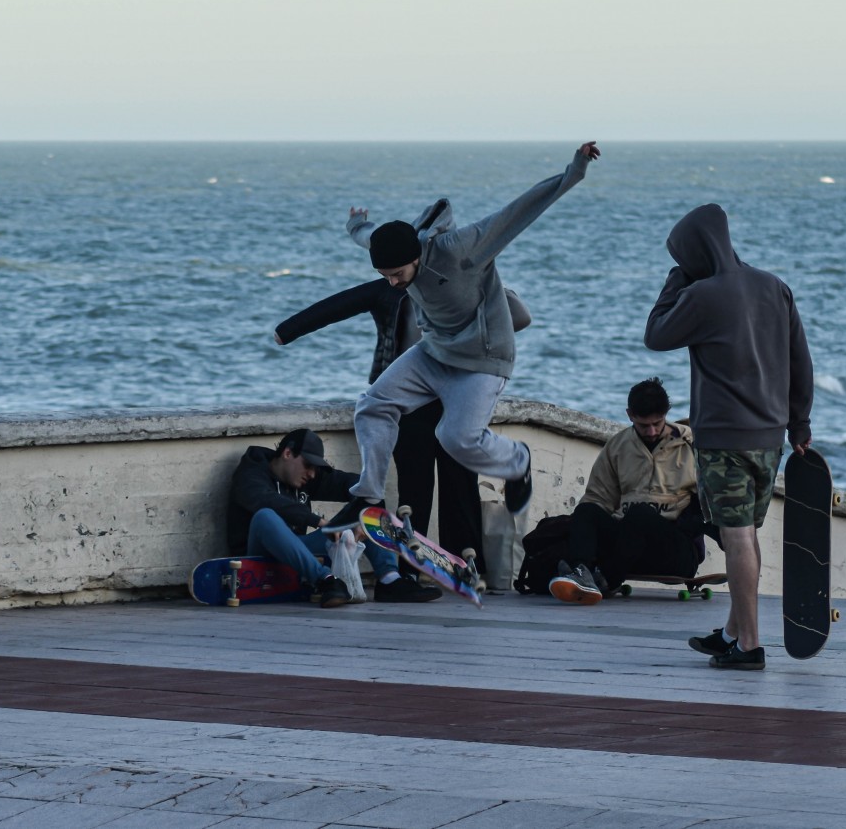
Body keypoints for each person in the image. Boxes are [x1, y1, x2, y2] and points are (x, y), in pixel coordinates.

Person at [323, 141, 601, 531]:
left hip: (483, 359)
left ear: (416, 256)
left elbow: (517, 213)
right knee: (374, 403)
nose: (393, 283)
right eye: (385, 276)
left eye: (398, 274)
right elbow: (369, 236)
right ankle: (367, 494)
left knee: (456, 438)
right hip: (435, 353)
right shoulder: (394, 250)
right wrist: (356, 224)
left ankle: (517, 462)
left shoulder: (462, 249)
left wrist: (574, 170)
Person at [274, 204, 532, 568]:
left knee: (460, 481)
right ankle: (413, 560)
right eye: (389, 273)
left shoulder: (460, 286)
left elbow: (519, 316)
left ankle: (464, 559)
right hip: (410, 403)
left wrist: (483, 312)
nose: (396, 279)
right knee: (415, 487)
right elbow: (338, 303)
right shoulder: (388, 286)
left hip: (457, 391)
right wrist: (287, 331)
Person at [644, 204, 814, 671]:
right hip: (769, 438)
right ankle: (733, 632)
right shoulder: (774, 287)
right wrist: (799, 423)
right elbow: (800, 359)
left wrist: (675, 282)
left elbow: (655, 334)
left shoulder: (703, 295)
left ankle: (749, 646)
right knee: (747, 537)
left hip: (723, 441)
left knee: (735, 539)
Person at [226, 428, 442, 607]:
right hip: (259, 557)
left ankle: (389, 580)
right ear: (288, 453)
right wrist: (317, 521)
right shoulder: (250, 473)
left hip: (299, 553)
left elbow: (361, 487)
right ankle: (326, 580)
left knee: (369, 507)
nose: (311, 474)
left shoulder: (306, 478)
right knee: (266, 517)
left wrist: (363, 519)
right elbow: (267, 501)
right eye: (308, 465)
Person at [548, 377, 708, 605]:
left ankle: (605, 581)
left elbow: (713, 500)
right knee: (586, 510)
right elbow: (598, 497)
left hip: (674, 550)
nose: (652, 431)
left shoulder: (692, 445)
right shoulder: (617, 447)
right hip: (626, 546)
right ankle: (580, 571)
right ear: (629, 414)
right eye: (644, 425)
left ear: (667, 413)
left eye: (658, 423)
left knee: (640, 515)